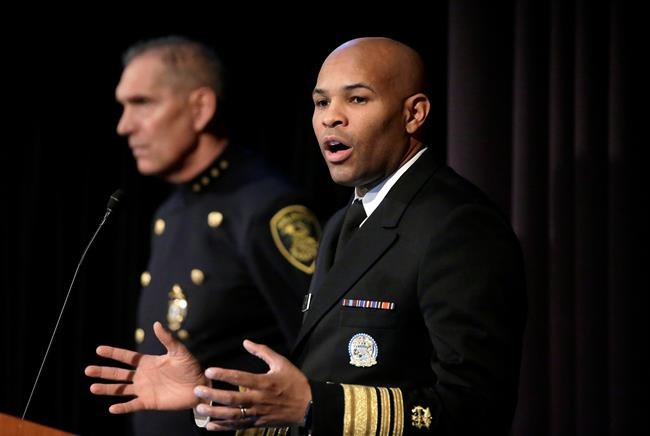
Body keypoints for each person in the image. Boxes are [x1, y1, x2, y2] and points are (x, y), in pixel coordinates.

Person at [86, 37, 526, 435]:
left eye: (357, 98)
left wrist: (314, 404)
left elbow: (475, 409)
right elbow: (309, 390)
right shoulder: (341, 224)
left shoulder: (457, 224)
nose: (331, 117)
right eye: (320, 102)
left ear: (413, 114)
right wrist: (207, 395)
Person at [110, 36, 320, 436]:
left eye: (142, 103)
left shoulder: (265, 208)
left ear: (200, 108)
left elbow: (319, 359)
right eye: (124, 106)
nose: (124, 125)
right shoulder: (170, 211)